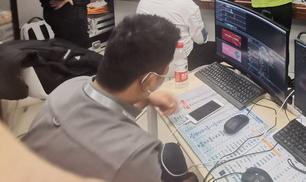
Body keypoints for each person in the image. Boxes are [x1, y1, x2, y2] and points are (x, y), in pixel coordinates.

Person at [22, 14, 193, 182]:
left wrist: (148, 96)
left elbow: (109, 111)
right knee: (171, 153)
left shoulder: (69, 86)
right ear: (149, 80)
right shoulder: (136, 153)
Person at [137, 0, 216, 70]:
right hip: (181, 63)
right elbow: (201, 40)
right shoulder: (188, 5)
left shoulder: (144, 2)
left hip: (151, 61)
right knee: (218, 49)